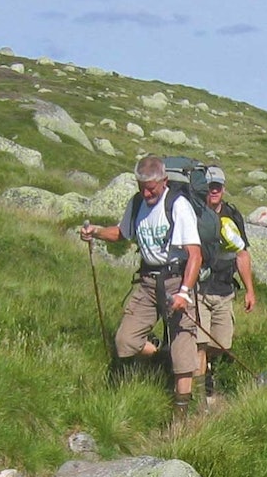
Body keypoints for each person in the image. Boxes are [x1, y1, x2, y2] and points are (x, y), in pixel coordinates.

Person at [80, 155, 202, 420]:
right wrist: (97, 232)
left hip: (176, 279)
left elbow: (195, 254)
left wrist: (184, 293)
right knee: (125, 341)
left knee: (183, 348)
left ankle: (181, 415)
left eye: (152, 188)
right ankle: (158, 357)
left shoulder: (178, 206)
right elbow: (123, 233)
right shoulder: (137, 204)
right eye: (142, 187)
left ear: (164, 181)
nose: (146, 193)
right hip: (147, 282)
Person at [194, 165, 255, 406]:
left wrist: (250, 290)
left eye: (217, 187)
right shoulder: (195, 213)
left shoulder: (233, 215)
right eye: (209, 187)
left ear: (223, 188)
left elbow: (242, 253)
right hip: (199, 288)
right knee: (199, 343)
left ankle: (206, 367)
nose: (213, 191)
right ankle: (200, 399)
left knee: (221, 343)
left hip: (225, 288)